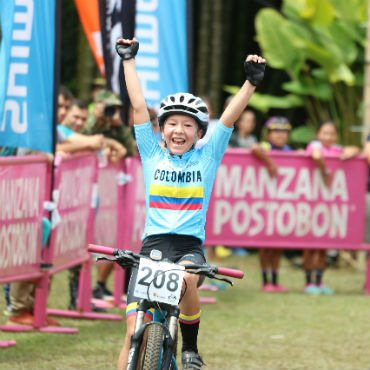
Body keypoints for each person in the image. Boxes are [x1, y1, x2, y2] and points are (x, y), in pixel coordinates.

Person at [115, 37, 266, 370]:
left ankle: (190, 349)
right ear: (162, 129)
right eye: (171, 124)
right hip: (152, 246)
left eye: (187, 125)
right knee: (131, 331)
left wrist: (250, 82)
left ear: (199, 133)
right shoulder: (152, 154)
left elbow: (227, 119)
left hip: (188, 248)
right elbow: (140, 108)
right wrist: (127, 60)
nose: (178, 130)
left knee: (184, 279)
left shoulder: (207, 157)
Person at [303, 120, 360, 294]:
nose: (328, 136)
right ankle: (308, 282)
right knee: (309, 245)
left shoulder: (336, 150)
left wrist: (348, 152)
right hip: (309, 202)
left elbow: (355, 150)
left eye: (332, 133)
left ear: (336, 136)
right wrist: (326, 172)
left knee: (323, 246)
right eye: (324, 133)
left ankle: (319, 282)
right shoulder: (313, 145)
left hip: (329, 205)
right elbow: (317, 156)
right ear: (318, 134)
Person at [251, 116, 292, 293]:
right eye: (276, 132)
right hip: (264, 202)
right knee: (265, 245)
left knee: (277, 245)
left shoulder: (289, 151)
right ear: (268, 135)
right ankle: (265, 279)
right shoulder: (265, 147)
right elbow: (254, 148)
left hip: (282, 203)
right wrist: (270, 162)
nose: (280, 136)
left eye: (284, 132)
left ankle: (275, 280)